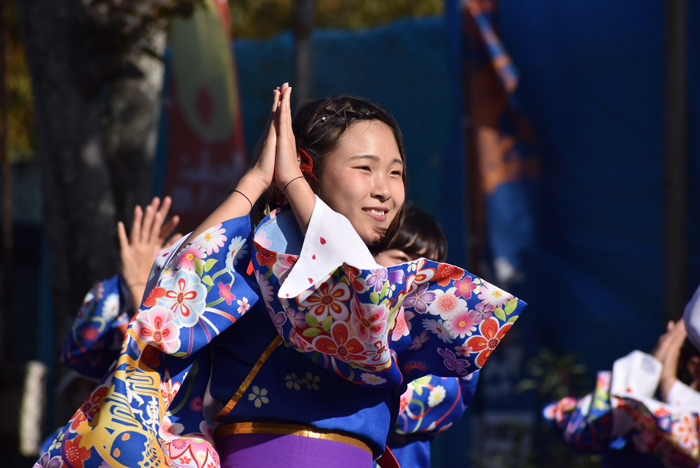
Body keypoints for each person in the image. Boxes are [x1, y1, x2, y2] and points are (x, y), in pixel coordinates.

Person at [36, 84, 526, 468]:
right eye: (365, 167)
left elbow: (355, 299)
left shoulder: (389, 287)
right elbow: (180, 293)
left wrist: (292, 183)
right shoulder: (257, 259)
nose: (384, 189)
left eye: (395, 173)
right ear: (310, 166)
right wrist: (255, 180)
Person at [375, 204, 480, 468]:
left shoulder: (448, 344)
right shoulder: (340, 319)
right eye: (401, 258)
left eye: (430, 267)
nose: (416, 274)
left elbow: (431, 402)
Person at [543, 317, 700, 468]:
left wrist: (657, 373)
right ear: (694, 368)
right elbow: (575, 427)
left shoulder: (641, 424)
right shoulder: (635, 425)